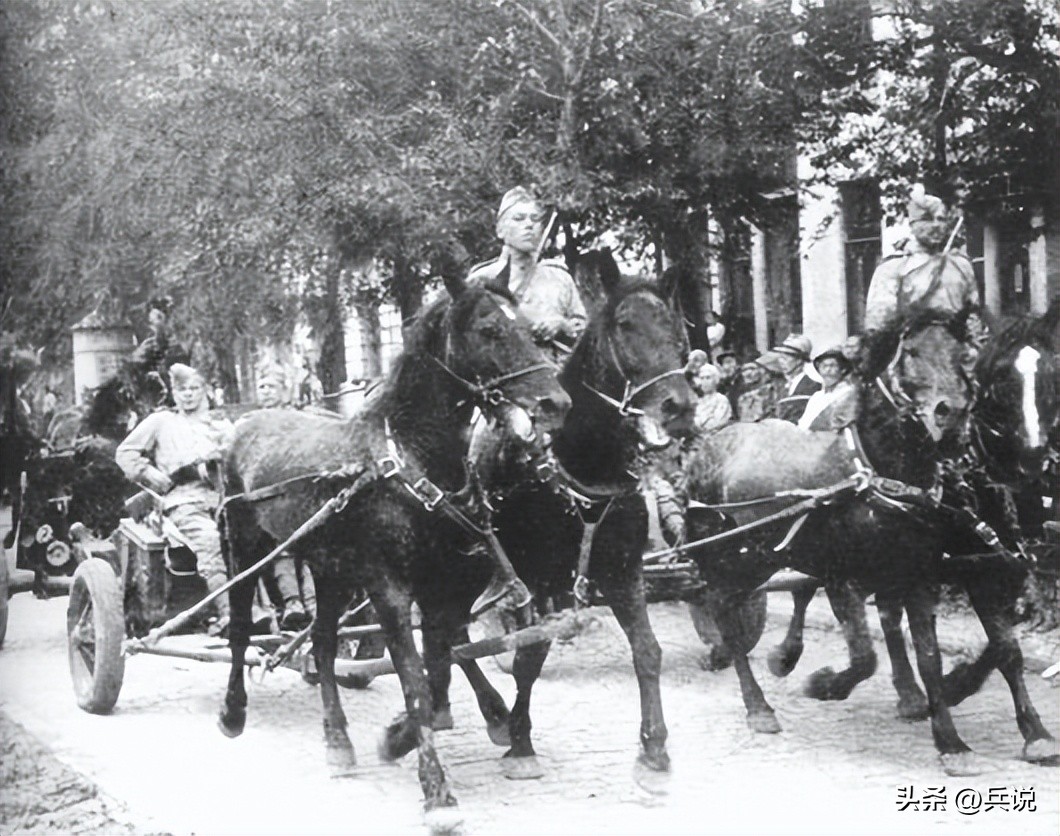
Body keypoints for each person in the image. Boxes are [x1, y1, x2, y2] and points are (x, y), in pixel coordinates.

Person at [115, 363, 235, 633]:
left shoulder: (220, 424)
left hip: (222, 499)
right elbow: (125, 452)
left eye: (194, 388)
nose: (188, 394)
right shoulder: (162, 422)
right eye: (182, 390)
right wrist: (148, 472)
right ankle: (228, 613)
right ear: (173, 392)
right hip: (182, 500)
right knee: (209, 540)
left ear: (204, 390)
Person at [468, 187, 587, 364]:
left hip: (556, 373)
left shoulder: (560, 278)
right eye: (519, 219)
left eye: (535, 219)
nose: (529, 225)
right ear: (500, 230)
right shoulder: (481, 279)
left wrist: (561, 324)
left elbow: (583, 331)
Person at [863, 185, 979, 333]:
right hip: (910, 344)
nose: (936, 225)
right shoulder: (893, 269)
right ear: (912, 224)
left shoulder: (961, 266)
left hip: (955, 343)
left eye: (941, 219)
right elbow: (879, 324)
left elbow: (974, 315)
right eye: (927, 219)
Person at [254, 363, 315, 629]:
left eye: (272, 386)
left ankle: (316, 603)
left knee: (317, 540)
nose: (266, 391)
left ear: (284, 389)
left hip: (302, 494)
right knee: (283, 543)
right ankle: (294, 602)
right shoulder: (250, 424)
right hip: (266, 498)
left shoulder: (300, 420)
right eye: (261, 386)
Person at [797, 348, 859, 432]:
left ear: (843, 369)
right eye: (824, 366)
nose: (827, 370)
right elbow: (803, 423)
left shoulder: (848, 392)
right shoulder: (816, 396)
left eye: (832, 366)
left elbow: (839, 422)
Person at [771, 334, 821, 424]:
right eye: (780, 357)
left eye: (786, 358)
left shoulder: (813, 386)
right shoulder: (781, 386)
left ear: (799, 360)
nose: (781, 362)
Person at [735, 353, 784, 422]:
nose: (747, 373)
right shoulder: (742, 397)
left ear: (762, 370)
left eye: (752, 368)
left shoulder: (772, 390)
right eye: (744, 370)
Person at [691, 362, 732, 433]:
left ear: (716, 380)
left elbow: (717, 422)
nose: (704, 382)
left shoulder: (721, 399)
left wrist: (699, 424)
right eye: (702, 378)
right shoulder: (698, 402)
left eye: (708, 378)